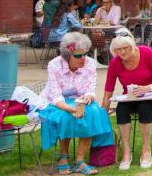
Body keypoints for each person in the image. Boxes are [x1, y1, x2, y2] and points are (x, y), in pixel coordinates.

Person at [38, 32, 112, 176]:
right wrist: (71, 109)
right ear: (67, 55)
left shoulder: (90, 64)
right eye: (78, 56)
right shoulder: (54, 65)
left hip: (80, 99)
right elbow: (56, 97)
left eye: (85, 53)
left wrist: (88, 98)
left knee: (93, 113)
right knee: (66, 116)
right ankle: (63, 157)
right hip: (58, 102)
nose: (83, 58)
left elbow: (91, 89)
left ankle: (80, 160)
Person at [101, 34, 152, 170]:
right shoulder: (115, 63)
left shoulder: (146, 53)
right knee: (121, 108)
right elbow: (108, 91)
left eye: (125, 48)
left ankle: (146, 150)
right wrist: (102, 114)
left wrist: (147, 88)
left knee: (144, 107)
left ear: (132, 46)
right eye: (118, 49)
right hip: (131, 97)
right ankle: (126, 152)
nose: (122, 52)